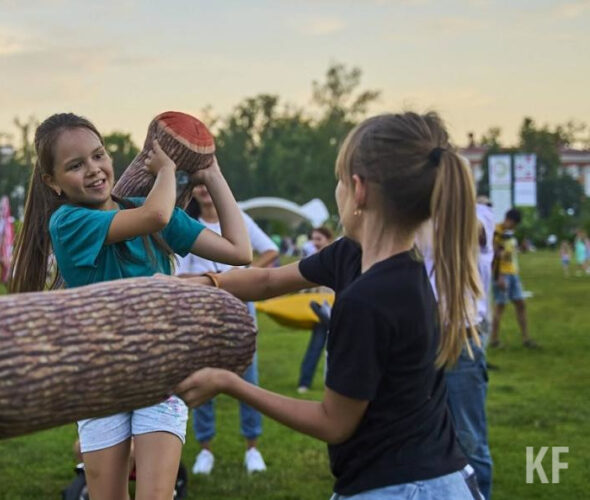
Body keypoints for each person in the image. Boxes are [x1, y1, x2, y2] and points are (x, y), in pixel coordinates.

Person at [175, 112, 484, 499]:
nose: (337, 189)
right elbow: (269, 280)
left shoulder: (368, 301)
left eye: (339, 179)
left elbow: (332, 422)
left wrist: (229, 383)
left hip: (403, 488)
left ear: (358, 190)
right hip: (431, 478)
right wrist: (200, 283)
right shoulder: (353, 256)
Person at [9, 113, 251, 500]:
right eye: (75, 165)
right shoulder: (68, 222)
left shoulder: (148, 207)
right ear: (52, 182)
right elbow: (154, 215)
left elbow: (240, 251)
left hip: (162, 370)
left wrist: (213, 176)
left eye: (98, 155)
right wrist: (168, 171)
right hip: (99, 381)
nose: (93, 170)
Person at [177, 184, 278, 475]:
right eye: (197, 184)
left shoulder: (237, 218)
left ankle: (252, 447)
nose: (203, 189)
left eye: (207, 182)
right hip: (204, 308)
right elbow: (179, 271)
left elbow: (270, 250)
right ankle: (205, 449)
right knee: (201, 375)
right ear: (191, 189)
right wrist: (215, 279)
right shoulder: (189, 224)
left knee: (249, 375)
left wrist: (241, 277)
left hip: (240, 305)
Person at [417, 199, 496, 500]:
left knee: (468, 439)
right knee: (422, 435)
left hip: (461, 340)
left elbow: (464, 230)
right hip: (420, 336)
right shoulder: (419, 216)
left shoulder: (480, 215)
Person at [490, 208, 537, 348]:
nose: (514, 227)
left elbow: (510, 252)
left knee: (521, 304)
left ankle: (526, 338)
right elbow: (494, 255)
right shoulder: (496, 232)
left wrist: (522, 248)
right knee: (500, 306)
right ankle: (494, 340)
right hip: (501, 274)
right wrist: (498, 276)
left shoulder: (510, 233)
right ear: (509, 220)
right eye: (514, 224)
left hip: (513, 272)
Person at [297, 226, 335, 394]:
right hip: (319, 310)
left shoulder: (337, 257)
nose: (315, 242)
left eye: (319, 238)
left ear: (328, 239)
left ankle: (332, 385)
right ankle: (305, 382)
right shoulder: (311, 259)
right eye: (313, 239)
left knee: (332, 349)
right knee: (316, 347)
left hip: (335, 309)